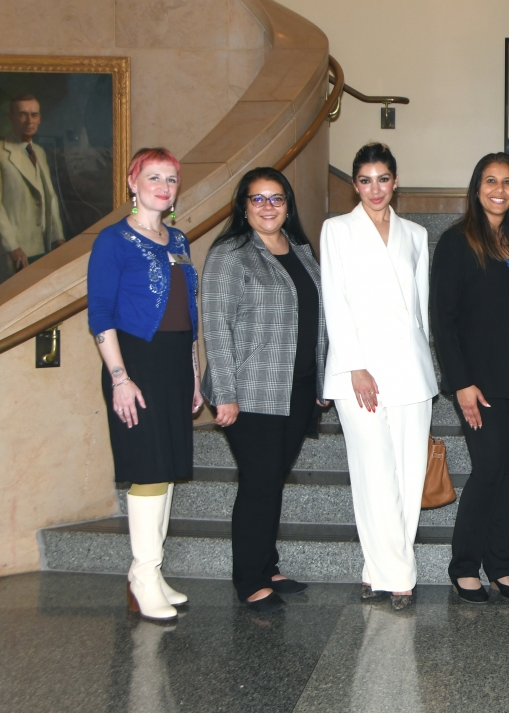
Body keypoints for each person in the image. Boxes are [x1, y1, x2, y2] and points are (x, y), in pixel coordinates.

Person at [201, 167, 327, 612]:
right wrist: (227, 392)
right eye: (258, 199)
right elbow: (215, 326)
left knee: (273, 479)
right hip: (251, 389)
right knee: (258, 483)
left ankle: (267, 565)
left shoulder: (301, 250)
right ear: (243, 206)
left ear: (288, 205)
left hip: (297, 387)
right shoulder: (230, 254)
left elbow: (318, 318)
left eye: (277, 198)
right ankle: (249, 578)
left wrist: (321, 379)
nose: (268, 207)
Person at [86, 147, 200, 622]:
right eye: (153, 177)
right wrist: (120, 378)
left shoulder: (178, 238)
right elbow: (100, 315)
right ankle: (142, 573)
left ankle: (151, 573)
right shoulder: (112, 240)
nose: (163, 186)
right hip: (135, 362)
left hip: (175, 362)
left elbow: (189, 314)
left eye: (171, 179)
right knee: (149, 469)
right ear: (132, 183)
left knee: (166, 467)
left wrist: (194, 371)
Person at [321, 143, 437, 612]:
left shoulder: (414, 234)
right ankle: (401, 575)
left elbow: (420, 308)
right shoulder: (337, 230)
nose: (375, 189)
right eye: (365, 180)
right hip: (358, 372)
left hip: (410, 370)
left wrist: (427, 360)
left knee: (408, 476)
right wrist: (354, 365)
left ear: (395, 182)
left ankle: (377, 569)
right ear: (355, 184)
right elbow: (335, 299)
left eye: (383, 179)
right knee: (372, 472)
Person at [430, 152, 509, 604]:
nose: (499, 189)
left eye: (508, 182)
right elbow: (444, 318)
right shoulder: (457, 242)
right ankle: (464, 565)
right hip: (480, 378)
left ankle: (500, 564)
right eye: (491, 181)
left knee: (508, 471)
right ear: (477, 188)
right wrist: (461, 383)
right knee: (488, 466)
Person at [0, 94, 66, 280]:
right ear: (11, 117)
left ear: (39, 118)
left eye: (34, 115)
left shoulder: (39, 152)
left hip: (42, 248)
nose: (29, 120)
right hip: (13, 252)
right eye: (22, 114)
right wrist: (12, 247)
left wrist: (58, 239)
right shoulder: (1, 153)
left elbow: (49, 196)